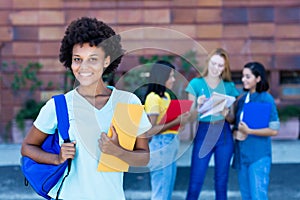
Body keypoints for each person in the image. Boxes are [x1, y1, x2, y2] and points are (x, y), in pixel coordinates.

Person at [21, 17, 152, 200]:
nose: (83, 67)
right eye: (77, 59)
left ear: (106, 60)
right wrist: (57, 158)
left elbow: (144, 157)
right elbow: (27, 147)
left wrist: (117, 151)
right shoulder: (59, 106)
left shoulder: (128, 103)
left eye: (93, 59)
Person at [185, 48, 239, 200]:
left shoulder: (229, 86)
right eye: (214, 64)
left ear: (225, 68)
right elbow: (190, 117)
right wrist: (199, 106)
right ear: (208, 63)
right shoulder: (196, 84)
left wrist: (226, 114)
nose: (216, 68)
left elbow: (233, 119)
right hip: (204, 133)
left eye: (220, 65)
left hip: (224, 135)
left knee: (221, 182)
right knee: (196, 181)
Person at [143, 60, 191, 200]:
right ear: (161, 77)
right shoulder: (153, 98)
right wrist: (175, 121)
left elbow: (168, 122)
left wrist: (179, 124)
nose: (173, 79)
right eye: (170, 76)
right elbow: (150, 131)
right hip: (160, 146)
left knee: (167, 192)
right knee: (161, 193)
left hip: (171, 144)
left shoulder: (167, 96)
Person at [232, 62, 280, 199]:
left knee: (258, 196)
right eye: (242, 76)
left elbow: (274, 130)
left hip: (258, 157)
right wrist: (237, 133)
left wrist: (249, 131)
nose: (243, 80)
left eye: (248, 76)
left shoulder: (266, 99)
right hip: (242, 156)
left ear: (258, 79)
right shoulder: (242, 101)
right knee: (246, 196)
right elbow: (236, 127)